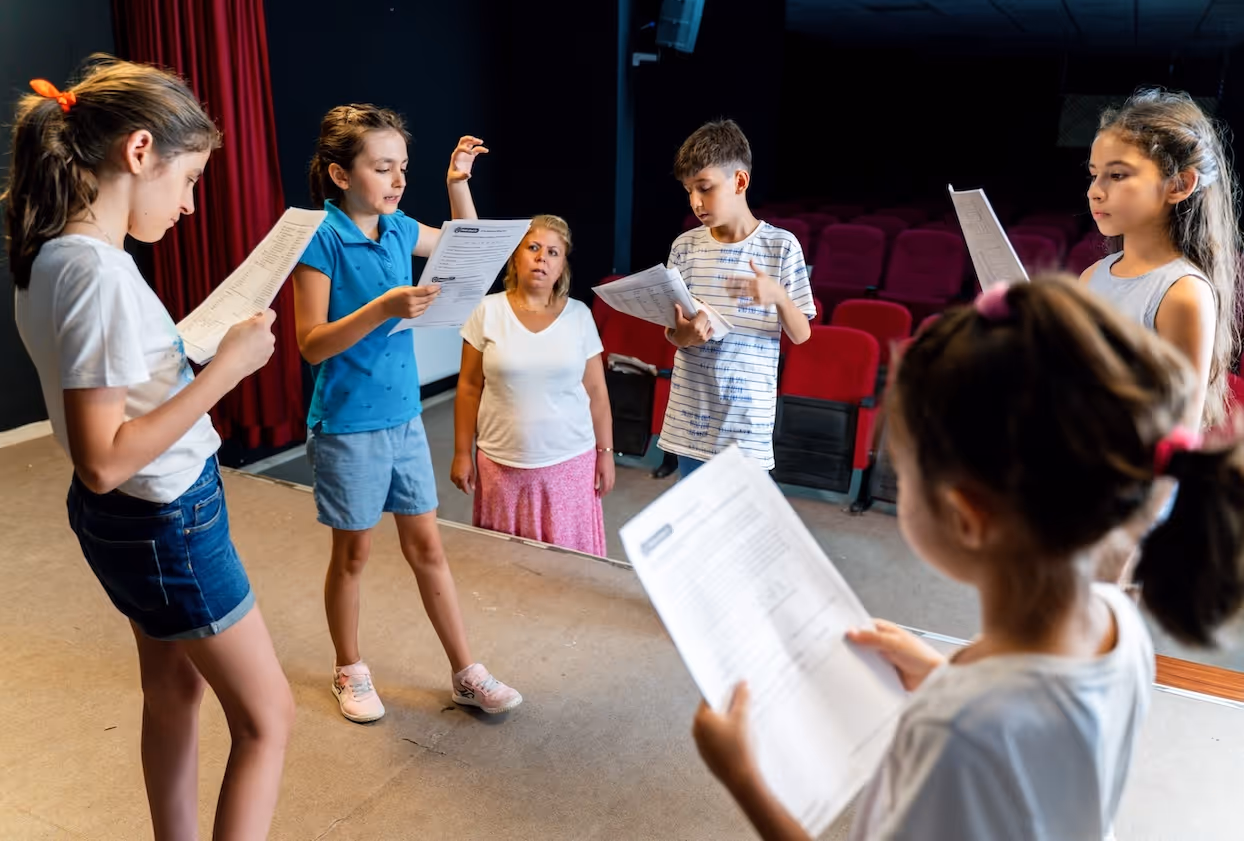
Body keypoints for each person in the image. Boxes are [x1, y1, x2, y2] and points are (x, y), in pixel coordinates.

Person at [690, 278, 1244, 841]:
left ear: (965, 515)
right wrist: (939, 677)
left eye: (901, 471)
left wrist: (744, 777)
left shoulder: (953, 732)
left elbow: (988, 736)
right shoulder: (1116, 622)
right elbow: (1034, 746)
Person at [6, 56, 294, 838]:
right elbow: (104, 455)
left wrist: (181, 356)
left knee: (173, 690)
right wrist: (227, 370)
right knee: (269, 720)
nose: (193, 204)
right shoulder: (97, 273)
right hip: (167, 517)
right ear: (140, 153)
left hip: (132, 519)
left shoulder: (56, 253)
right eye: (190, 178)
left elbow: (110, 403)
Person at [292, 104, 521, 724]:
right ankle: (350, 668)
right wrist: (385, 307)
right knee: (354, 555)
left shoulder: (398, 228)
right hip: (347, 424)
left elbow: (467, 250)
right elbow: (310, 343)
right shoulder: (320, 238)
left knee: (428, 548)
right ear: (341, 175)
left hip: (404, 417)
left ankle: (466, 671)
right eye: (382, 168)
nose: (397, 181)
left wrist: (457, 185)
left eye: (403, 169)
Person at [1080, 87, 1241, 581]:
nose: (1096, 190)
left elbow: (1177, 440)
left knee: (1095, 629)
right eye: (1093, 176)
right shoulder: (1094, 275)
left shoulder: (1182, 292)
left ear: (1179, 184)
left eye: (1118, 175)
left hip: (1126, 496)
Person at [656, 119, 816, 478]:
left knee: (738, 527)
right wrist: (686, 335)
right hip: (690, 416)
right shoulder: (685, 246)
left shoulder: (780, 246)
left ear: (739, 181)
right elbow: (674, 332)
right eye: (688, 190)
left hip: (746, 424)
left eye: (705, 188)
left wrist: (777, 295)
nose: (695, 201)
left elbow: (801, 333)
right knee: (694, 527)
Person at [451, 215, 614, 555]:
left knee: (569, 569)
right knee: (506, 567)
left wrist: (605, 453)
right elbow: (468, 388)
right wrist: (461, 453)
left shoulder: (580, 315)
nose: (542, 257)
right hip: (501, 464)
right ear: (516, 257)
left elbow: (597, 393)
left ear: (562, 266)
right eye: (534, 248)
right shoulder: (486, 311)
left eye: (553, 252)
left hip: (570, 463)